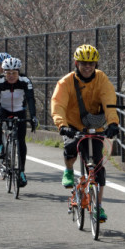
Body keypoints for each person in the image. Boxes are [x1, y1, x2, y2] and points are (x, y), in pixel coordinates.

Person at [51, 44, 119, 221]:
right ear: (76, 63)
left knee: (98, 168)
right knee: (71, 148)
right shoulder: (66, 82)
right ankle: (68, 170)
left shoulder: (101, 79)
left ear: (96, 64)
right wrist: (62, 125)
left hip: (94, 126)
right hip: (71, 125)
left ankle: (98, 206)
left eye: (91, 63)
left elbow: (109, 101)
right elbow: (58, 105)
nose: (87, 67)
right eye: (83, 63)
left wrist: (112, 122)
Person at [0, 57, 38, 187]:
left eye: (14, 73)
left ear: (18, 72)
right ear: (4, 72)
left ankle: (22, 171)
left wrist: (33, 116)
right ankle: (0, 146)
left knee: (21, 141)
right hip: (3, 109)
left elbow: (30, 99)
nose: (11, 76)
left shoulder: (25, 81)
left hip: (19, 111)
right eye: (8, 73)